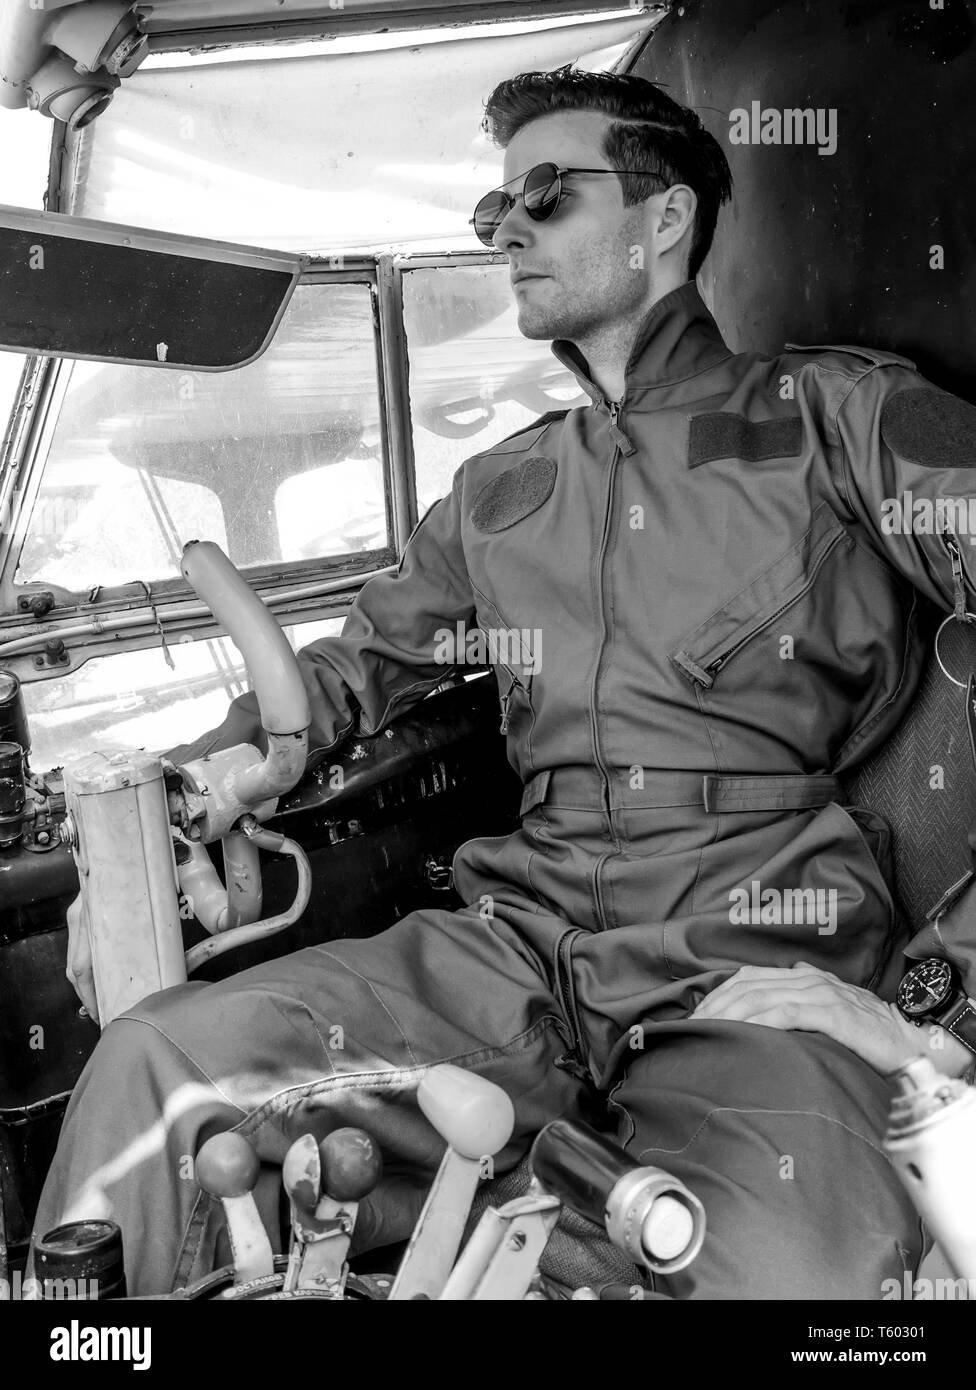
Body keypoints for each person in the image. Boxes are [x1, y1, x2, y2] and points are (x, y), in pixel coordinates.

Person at [34, 65, 976, 1299]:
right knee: (160, 1069)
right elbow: (349, 670)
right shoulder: (500, 489)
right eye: (494, 212)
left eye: (545, 194)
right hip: (516, 945)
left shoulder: (834, 419)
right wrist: (201, 787)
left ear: (665, 219)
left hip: (758, 942)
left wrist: (933, 1013)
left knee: (774, 1271)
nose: (509, 230)